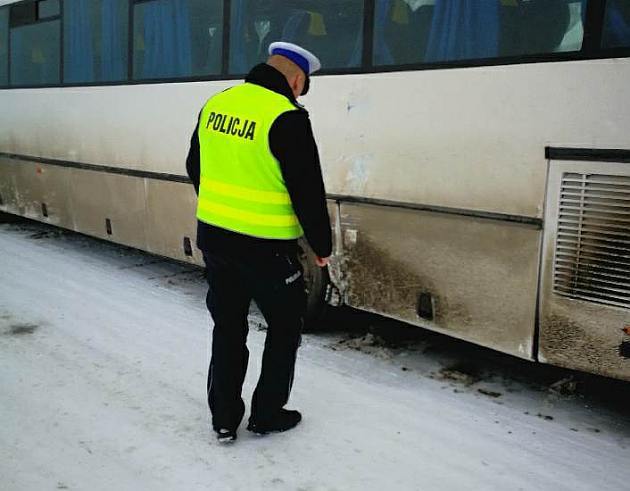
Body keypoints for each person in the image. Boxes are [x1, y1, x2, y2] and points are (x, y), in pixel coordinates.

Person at [185, 42, 332, 443]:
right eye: (303, 86)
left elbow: (194, 165)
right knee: (285, 327)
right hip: (267, 249)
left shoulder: (217, 103)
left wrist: (220, 209)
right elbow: (308, 191)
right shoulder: (287, 116)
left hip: (215, 240)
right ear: (297, 79)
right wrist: (321, 247)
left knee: (228, 328)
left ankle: (224, 419)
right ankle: (267, 413)